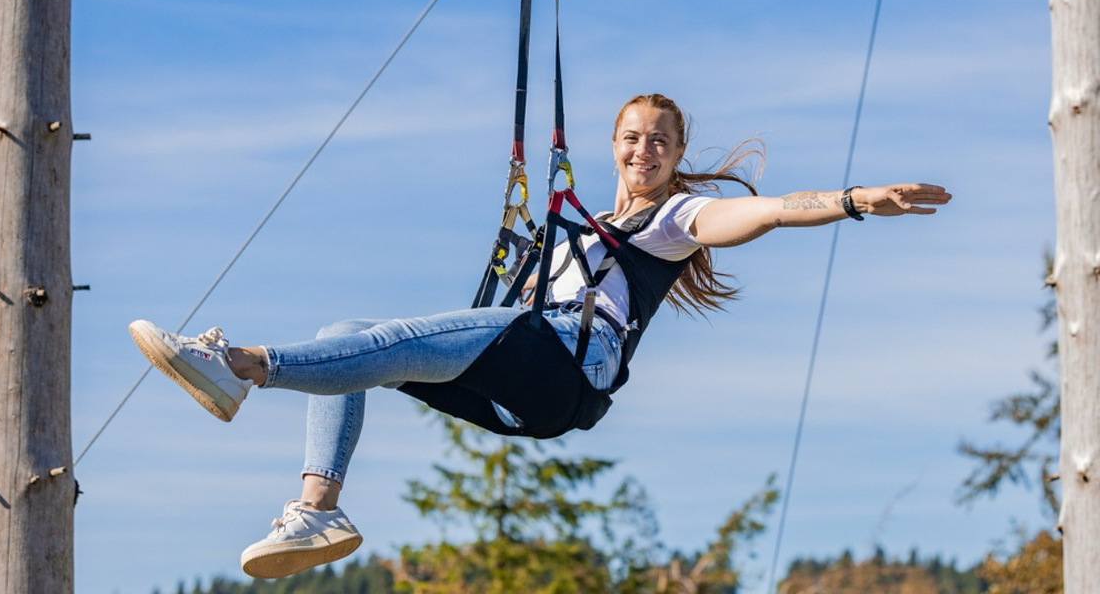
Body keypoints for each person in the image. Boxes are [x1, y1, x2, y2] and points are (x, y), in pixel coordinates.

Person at [129, 92, 951, 580]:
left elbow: (760, 211)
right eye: (631, 137)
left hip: (560, 367)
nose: (644, 149)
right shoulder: (588, 225)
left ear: (677, 155)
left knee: (401, 336)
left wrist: (848, 200)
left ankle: (237, 366)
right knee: (351, 336)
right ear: (615, 146)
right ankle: (318, 514)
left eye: (659, 140)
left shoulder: (675, 220)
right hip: (522, 393)